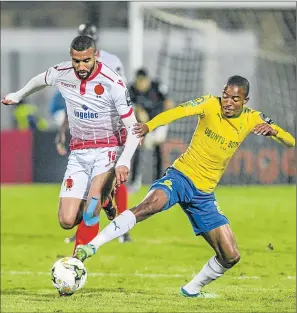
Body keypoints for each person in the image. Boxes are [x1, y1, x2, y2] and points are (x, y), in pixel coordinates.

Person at [73, 75, 295, 297]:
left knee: (230, 255)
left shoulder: (252, 118)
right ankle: (92, 246)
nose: (227, 102)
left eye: (235, 99)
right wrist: (149, 126)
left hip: (204, 194)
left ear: (245, 100)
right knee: (149, 206)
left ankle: (192, 289)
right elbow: (177, 112)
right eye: (225, 96)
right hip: (181, 176)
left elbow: (291, 141)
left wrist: (275, 132)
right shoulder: (209, 103)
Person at [2, 36, 140, 269]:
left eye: (86, 60)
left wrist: (123, 161)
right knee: (67, 220)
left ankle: (76, 264)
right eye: (76, 61)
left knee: (91, 205)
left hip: (108, 148)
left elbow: (134, 129)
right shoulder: (63, 72)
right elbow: (41, 79)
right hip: (79, 151)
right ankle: (106, 200)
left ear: (96, 56)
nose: (81, 67)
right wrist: (18, 95)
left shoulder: (113, 82)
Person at [52, 23, 131, 244]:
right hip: (83, 139)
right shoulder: (74, 65)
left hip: (109, 133)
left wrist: (125, 126)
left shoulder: (112, 62)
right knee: (83, 203)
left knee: (108, 185)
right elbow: (73, 102)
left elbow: (122, 94)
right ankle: (100, 208)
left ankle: (120, 229)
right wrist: (63, 130)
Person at [128, 68, 174, 192]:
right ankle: (134, 182)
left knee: (158, 148)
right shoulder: (131, 89)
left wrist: (166, 117)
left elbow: (169, 102)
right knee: (137, 148)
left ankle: (158, 181)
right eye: (139, 81)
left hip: (158, 124)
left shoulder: (157, 86)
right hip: (143, 126)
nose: (141, 84)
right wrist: (137, 110)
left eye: (143, 81)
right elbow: (127, 106)